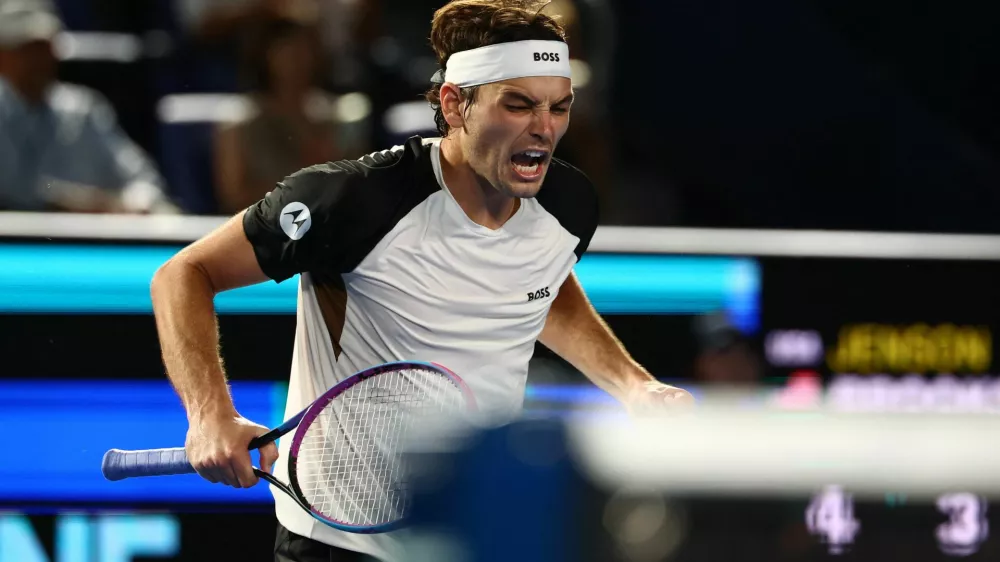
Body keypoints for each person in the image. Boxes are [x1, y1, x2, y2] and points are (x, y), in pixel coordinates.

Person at [149, 1, 693, 561]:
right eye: (519, 104)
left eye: (559, 107)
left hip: (473, 536)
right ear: (456, 104)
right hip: (339, 544)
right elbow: (183, 274)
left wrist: (632, 384)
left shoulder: (568, 202)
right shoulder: (353, 199)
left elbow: (542, 286)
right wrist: (210, 414)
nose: (544, 128)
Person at [0, 0, 175, 213]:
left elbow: (141, 179)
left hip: (92, 241)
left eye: (45, 48)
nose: (39, 59)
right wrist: (92, 204)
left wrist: (139, 203)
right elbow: (14, 191)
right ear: (3, 55)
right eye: (26, 50)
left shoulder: (83, 108)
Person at [213, 16, 344, 214]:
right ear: (266, 55)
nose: (298, 61)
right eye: (288, 50)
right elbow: (235, 197)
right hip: (261, 230)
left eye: (304, 50)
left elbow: (351, 185)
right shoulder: (238, 124)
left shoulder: (335, 116)